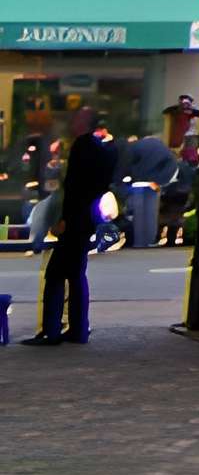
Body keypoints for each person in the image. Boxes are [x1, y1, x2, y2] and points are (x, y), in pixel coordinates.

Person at [32, 105, 112, 347]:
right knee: (76, 274)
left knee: (56, 274)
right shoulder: (99, 148)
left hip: (76, 220)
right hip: (86, 219)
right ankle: (77, 329)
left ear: (85, 124)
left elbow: (77, 189)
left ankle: (52, 331)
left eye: (77, 118)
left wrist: (65, 219)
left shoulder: (82, 147)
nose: (72, 122)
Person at [115, 124, 178, 249]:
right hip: (156, 177)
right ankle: (148, 240)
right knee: (150, 212)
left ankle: (140, 242)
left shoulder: (129, 149)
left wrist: (121, 185)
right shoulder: (153, 145)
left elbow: (123, 170)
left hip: (145, 181)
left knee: (140, 213)